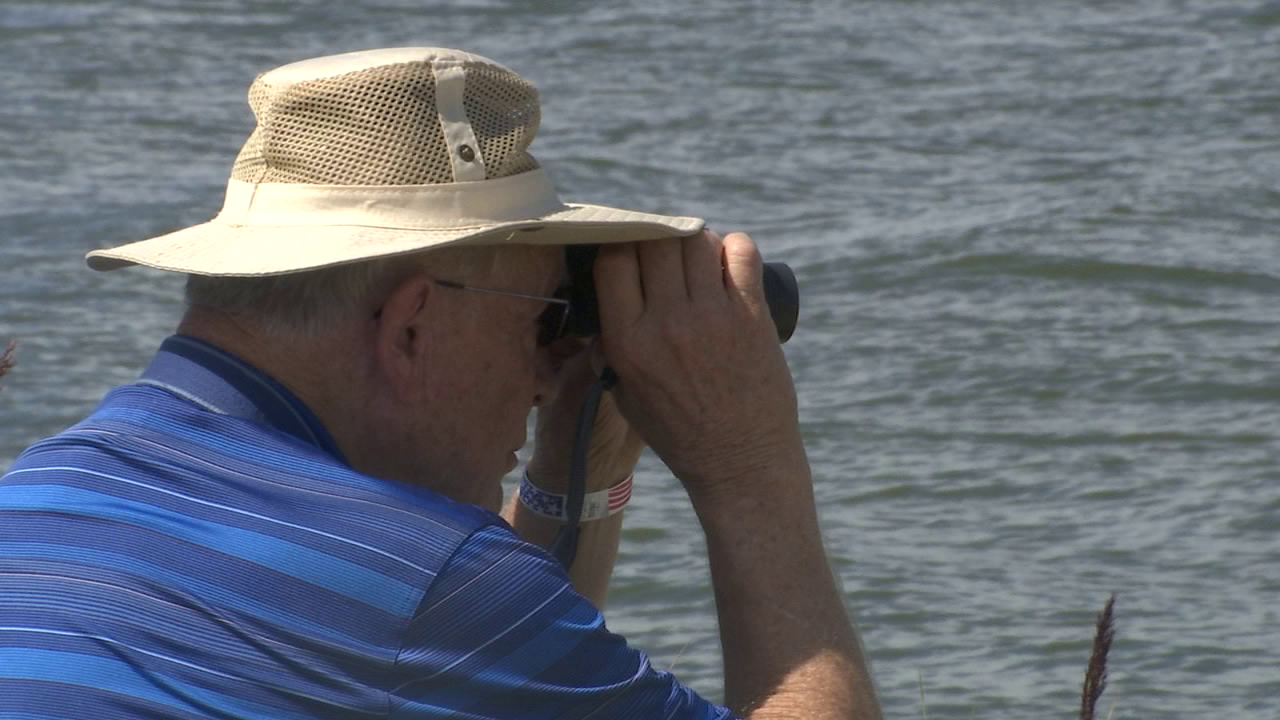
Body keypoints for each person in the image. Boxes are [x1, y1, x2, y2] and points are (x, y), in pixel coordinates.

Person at [0, 47, 881, 719]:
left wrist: (582, 462)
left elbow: (466, 680)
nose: (548, 374)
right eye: (544, 319)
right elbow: (435, 625)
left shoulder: (33, 495)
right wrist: (749, 463)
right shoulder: (427, 586)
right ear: (411, 326)